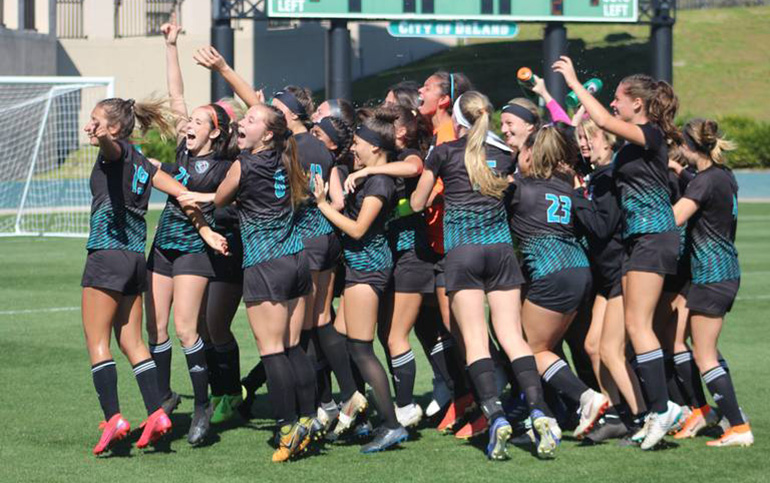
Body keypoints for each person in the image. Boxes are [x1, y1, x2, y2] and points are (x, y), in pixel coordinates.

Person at [411, 91, 559, 461]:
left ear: (458, 119)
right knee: (512, 336)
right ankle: (538, 409)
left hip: (462, 254)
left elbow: (417, 202)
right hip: (501, 251)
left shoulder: (444, 152)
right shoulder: (506, 155)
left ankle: (494, 415)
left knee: (475, 340)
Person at [81, 96, 227, 455]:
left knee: (98, 344)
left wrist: (102, 137)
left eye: (95, 120)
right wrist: (205, 229)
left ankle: (113, 417)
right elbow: (180, 191)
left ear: (114, 129)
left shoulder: (113, 151)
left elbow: (112, 149)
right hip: (134, 261)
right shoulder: (144, 163)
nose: (90, 125)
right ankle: (157, 412)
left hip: (106, 256)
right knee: (133, 342)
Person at [554, 56, 684, 449]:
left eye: (618, 99)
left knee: (638, 328)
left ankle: (663, 410)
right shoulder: (632, 144)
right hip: (637, 241)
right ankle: (649, 414)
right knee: (622, 334)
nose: (613, 105)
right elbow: (600, 129)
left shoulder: (652, 134)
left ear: (638, 105)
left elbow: (607, 123)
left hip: (653, 237)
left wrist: (575, 85)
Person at [144, 19, 238, 445]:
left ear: (215, 131)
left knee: (186, 329)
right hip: (164, 241)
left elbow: (218, 202)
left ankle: (203, 407)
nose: (189, 123)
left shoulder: (225, 167)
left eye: (198, 121)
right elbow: (176, 93)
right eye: (190, 121)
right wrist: (171, 44)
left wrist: (191, 201)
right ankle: (163, 399)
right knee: (156, 329)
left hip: (197, 248)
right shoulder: (183, 147)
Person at [213, 102, 313, 462]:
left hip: (265, 262)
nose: (242, 122)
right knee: (293, 347)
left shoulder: (246, 163)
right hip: (297, 259)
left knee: (272, 350)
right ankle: (307, 419)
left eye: (250, 120)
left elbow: (222, 197)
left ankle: (287, 429)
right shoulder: (287, 159)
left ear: (268, 134)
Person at [312, 108, 409, 453]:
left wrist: (322, 204)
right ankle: (356, 405)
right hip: (358, 266)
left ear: (375, 147)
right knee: (339, 337)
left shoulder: (379, 182)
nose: (353, 148)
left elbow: (357, 228)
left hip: (369, 267)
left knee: (362, 349)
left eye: (357, 143)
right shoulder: (366, 174)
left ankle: (392, 425)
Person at [671, 118, 752, 447]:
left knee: (705, 355)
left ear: (690, 147)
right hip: (716, 272)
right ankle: (704, 410)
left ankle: (737, 426)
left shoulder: (704, 182)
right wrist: (681, 174)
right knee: (678, 341)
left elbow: (674, 218)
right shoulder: (722, 176)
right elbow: (702, 185)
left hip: (712, 274)